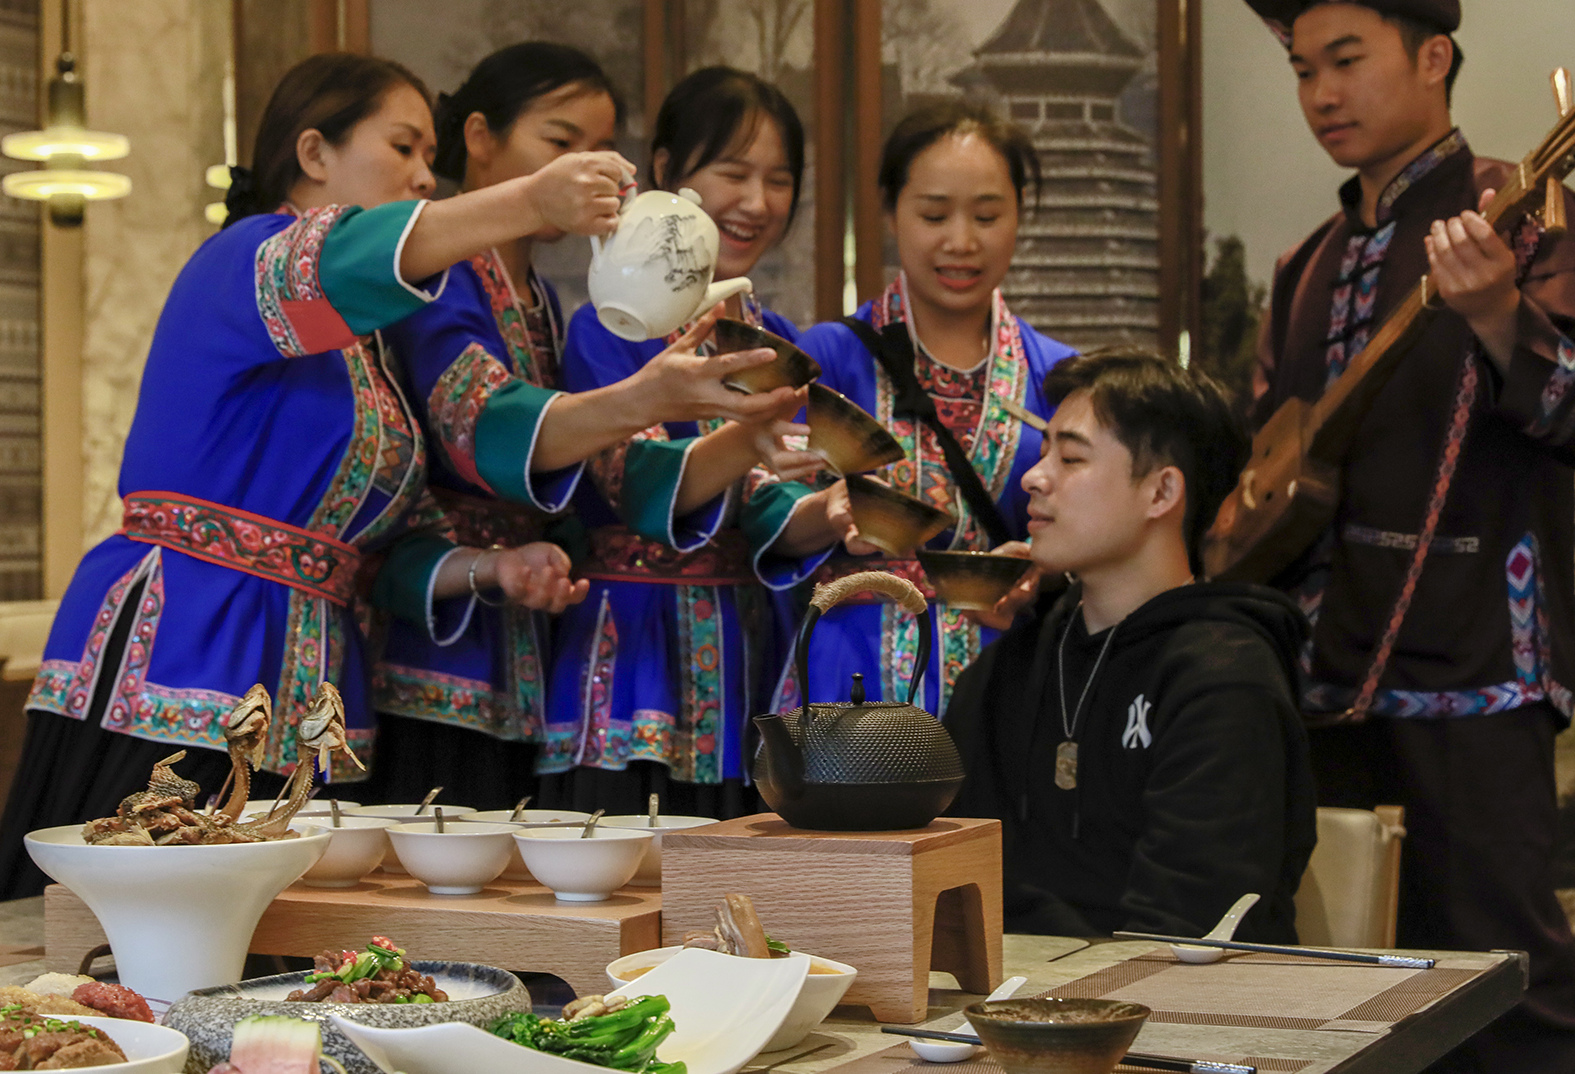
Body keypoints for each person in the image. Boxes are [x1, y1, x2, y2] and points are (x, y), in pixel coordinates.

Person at [1230, 0, 1575, 1074]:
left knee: (1516, 992)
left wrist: (1503, 319)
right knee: (1376, 1015)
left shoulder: (1528, 207)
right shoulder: (1304, 264)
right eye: (1302, 69)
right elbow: (1262, 475)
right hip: (1331, 678)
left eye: (1346, 59)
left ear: (1433, 56)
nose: (1321, 93)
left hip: (1477, 674)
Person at [0, 53, 603, 900]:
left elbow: (382, 554)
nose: (425, 175)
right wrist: (528, 201)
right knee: (125, 916)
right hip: (192, 642)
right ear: (313, 153)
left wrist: (490, 567)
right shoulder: (242, 257)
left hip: (314, 673)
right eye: (403, 147)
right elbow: (346, 258)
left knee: (277, 937)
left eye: (431, 156)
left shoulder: (369, 352)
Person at [372, 44, 803, 809]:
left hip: (531, 638)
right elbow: (482, 424)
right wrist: (647, 401)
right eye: (560, 141)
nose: (586, 171)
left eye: (598, 150)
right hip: (440, 640)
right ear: (480, 137)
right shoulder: (442, 283)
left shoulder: (540, 300)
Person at [944, 349, 1316, 942]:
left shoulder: (1223, 679)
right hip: (1008, 987)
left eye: (1071, 458)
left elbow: (1190, 929)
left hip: (1170, 993)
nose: (1034, 478)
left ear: (1161, 492)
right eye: (1043, 453)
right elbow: (948, 874)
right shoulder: (1013, 662)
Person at [538, 67, 826, 814]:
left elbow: (776, 501)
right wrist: (751, 439)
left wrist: (836, 510)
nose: (757, 202)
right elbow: (628, 480)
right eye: (734, 172)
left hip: (741, 658)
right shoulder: (610, 324)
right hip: (628, 654)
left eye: (779, 180)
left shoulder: (777, 338)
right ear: (668, 170)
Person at [753, 98, 1075, 716]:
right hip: (848, 679)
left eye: (987, 215)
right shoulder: (829, 356)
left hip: (1004, 683)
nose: (961, 241)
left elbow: (1090, 534)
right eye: (934, 214)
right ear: (890, 212)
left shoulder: (1055, 375)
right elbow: (765, 510)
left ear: (1019, 215)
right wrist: (828, 511)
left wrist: (1040, 570)